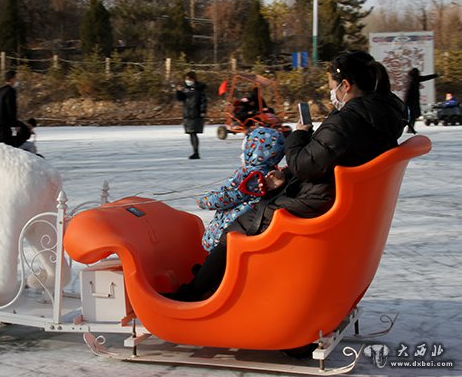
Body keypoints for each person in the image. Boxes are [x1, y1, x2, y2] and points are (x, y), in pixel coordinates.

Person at [171, 50, 408, 302]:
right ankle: (215, 275)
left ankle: (196, 292)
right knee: (257, 209)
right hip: (332, 197)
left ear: (346, 86)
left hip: (314, 201)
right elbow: (322, 161)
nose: (331, 93)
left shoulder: (347, 122)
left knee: (237, 227)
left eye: (331, 87)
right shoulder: (381, 117)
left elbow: (302, 164)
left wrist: (300, 133)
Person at [198, 127, 285, 252]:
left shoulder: (250, 175)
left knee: (219, 255)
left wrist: (205, 201)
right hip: (245, 225)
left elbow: (227, 196)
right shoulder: (271, 173)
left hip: (227, 228)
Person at [0, 70, 30, 147]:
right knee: (6, 143)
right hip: (4, 121)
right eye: (15, 78)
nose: (17, 80)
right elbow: (11, 108)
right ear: (11, 79)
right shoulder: (10, 91)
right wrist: (15, 123)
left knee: (4, 141)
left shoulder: (1, 90)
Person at [176, 71, 207, 159]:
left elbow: (203, 101)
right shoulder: (185, 88)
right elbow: (180, 98)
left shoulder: (199, 89)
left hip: (196, 113)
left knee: (193, 133)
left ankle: (196, 152)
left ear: (193, 79)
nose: (188, 81)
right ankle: (195, 151)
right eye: (186, 79)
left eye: (189, 79)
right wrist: (178, 91)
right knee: (190, 133)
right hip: (187, 113)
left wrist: (202, 110)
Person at [404, 68, 438, 134]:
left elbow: (424, 78)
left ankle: (410, 129)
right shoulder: (414, 80)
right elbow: (424, 78)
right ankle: (410, 129)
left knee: (413, 116)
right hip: (413, 102)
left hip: (412, 101)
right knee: (413, 116)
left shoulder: (412, 79)